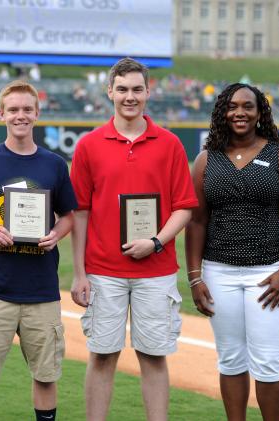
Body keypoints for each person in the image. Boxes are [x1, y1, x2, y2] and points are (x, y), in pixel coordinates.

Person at [69, 57, 198, 421]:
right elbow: (79, 211)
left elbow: (184, 207)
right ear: (109, 91)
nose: (130, 96)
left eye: (137, 89)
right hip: (103, 270)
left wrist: (155, 242)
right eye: (122, 89)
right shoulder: (89, 145)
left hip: (155, 270)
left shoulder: (170, 144)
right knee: (102, 356)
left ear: (148, 92)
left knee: (154, 356)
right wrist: (79, 273)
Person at [185, 83, 279, 421]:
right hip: (218, 272)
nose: (240, 113)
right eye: (233, 106)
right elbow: (196, 221)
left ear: (259, 112)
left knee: (268, 361)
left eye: (248, 106)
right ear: (223, 111)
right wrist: (195, 277)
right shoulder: (206, 159)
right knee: (231, 359)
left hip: (267, 273)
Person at [0, 80, 77, 421]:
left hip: (41, 290)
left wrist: (56, 233)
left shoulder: (54, 164)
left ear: (37, 114)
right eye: (13, 110)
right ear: (1, 114)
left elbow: (69, 216)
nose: (20, 115)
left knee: (46, 374)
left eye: (27, 109)